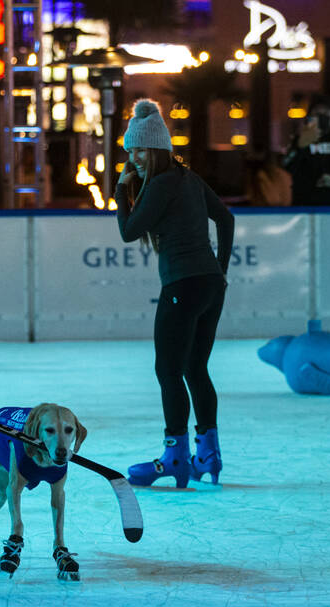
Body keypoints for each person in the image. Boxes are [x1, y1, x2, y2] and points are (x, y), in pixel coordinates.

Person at [114, 99, 234, 488]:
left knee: (168, 370)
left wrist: (120, 191)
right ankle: (208, 454)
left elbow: (129, 231)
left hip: (183, 285)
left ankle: (175, 457)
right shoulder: (188, 178)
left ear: (157, 149)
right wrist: (222, 269)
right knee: (194, 368)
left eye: (139, 151)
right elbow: (226, 218)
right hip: (210, 285)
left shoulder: (163, 184)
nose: (134, 159)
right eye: (129, 151)